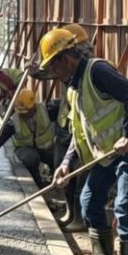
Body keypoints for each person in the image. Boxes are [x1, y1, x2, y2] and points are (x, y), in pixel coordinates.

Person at [38, 28, 128, 255]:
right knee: (89, 200)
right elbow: (80, 132)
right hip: (106, 155)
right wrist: (65, 163)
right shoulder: (74, 89)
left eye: (53, 65)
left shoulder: (96, 71)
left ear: (66, 58)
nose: (53, 72)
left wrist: (126, 135)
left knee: (125, 209)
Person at [52, 23, 94, 232]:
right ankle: (71, 213)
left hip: (88, 135)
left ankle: (80, 219)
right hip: (69, 125)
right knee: (64, 170)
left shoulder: (90, 69)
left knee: (82, 182)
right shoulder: (69, 68)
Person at [0, 89, 55, 187]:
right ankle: (37, 184)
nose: (23, 114)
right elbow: (2, 136)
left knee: (59, 158)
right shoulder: (14, 120)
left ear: (33, 106)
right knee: (30, 159)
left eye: (26, 111)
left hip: (47, 149)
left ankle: (55, 180)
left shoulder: (46, 110)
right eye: (21, 111)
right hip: (26, 149)